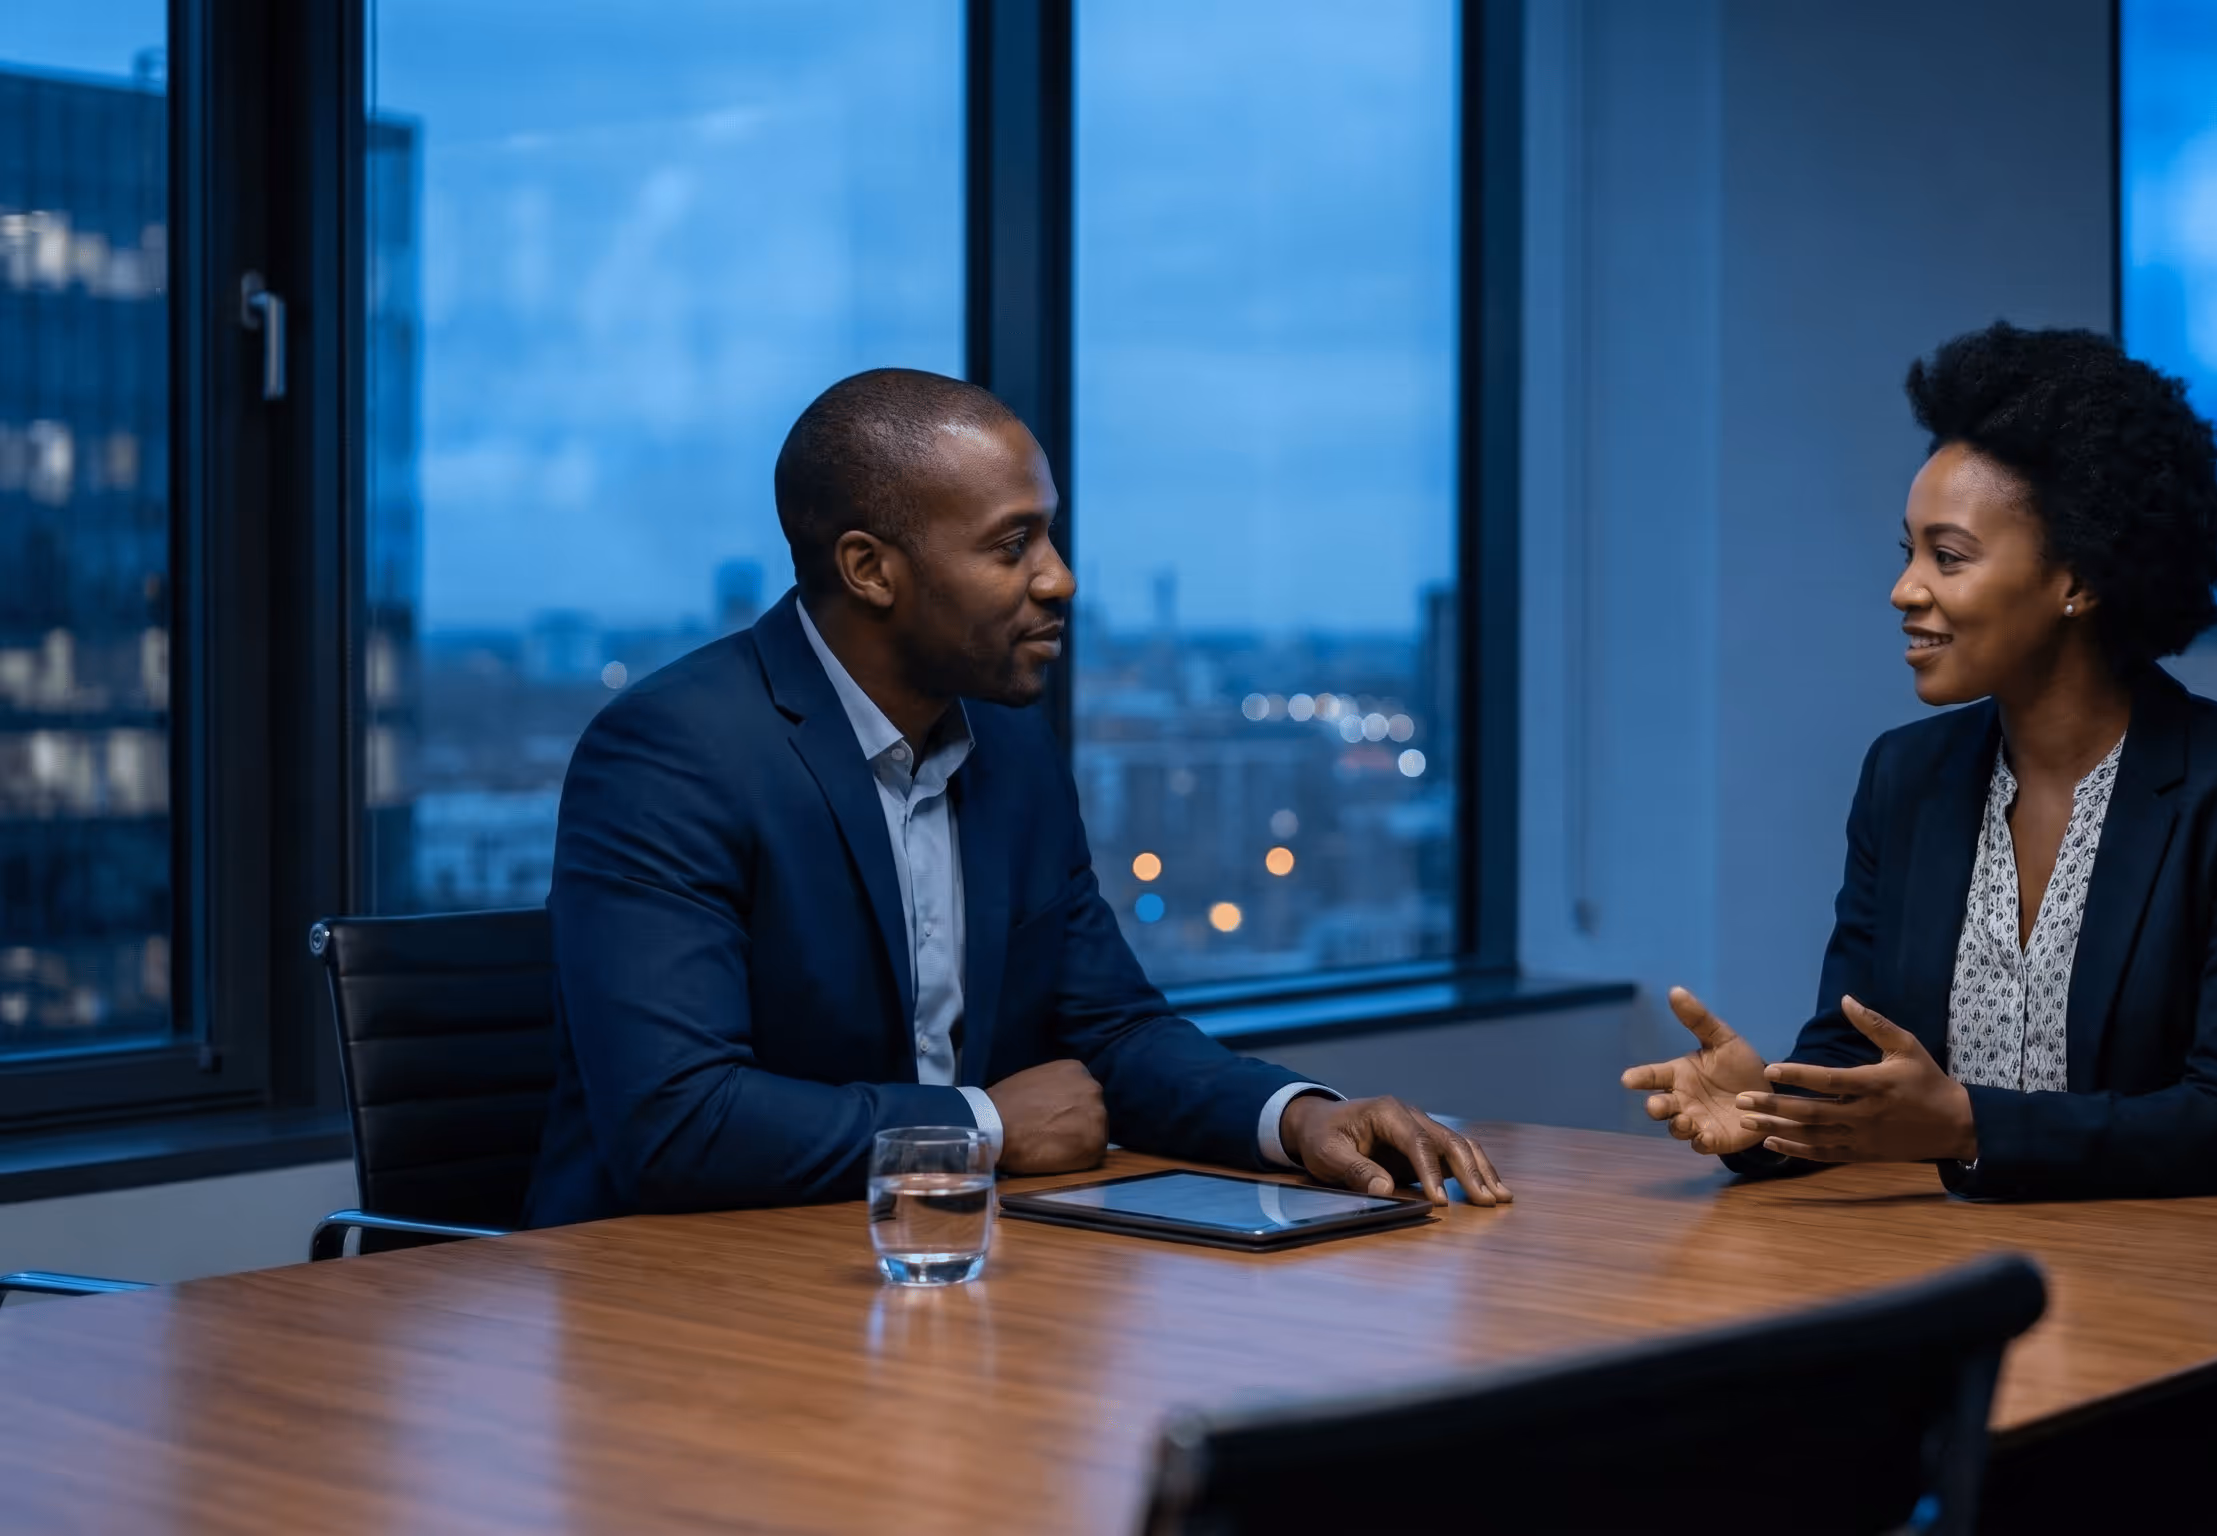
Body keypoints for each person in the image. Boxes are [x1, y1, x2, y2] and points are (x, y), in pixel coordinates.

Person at [526, 369, 1509, 1226]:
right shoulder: (671, 753)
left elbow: (1110, 1030)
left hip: (936, 1268)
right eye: (1012, 546)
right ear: (870, 568)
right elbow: (677, 1121)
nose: (1061, 580)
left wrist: (1300, 1119)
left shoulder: (1008, 747)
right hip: (676, 1305)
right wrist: (985, 1126)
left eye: (1051, 537)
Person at [1621, 323, 2217, 1200]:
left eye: (1948, 557)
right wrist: (1765, 1113)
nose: (1904, 590)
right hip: (1951, 1272)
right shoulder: (1904, 778)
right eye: (1908, 552)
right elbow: (1855, 1058)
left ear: (2077, 579)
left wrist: (1967, 1125)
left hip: (2166, 1283)